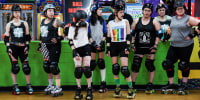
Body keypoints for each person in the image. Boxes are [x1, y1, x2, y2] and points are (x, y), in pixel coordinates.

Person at [161, 1, 200, 95]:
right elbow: (171, 29)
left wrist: (193, 35)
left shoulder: (189, 18)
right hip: (174, 46)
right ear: (175, 10)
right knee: (167, 64)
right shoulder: (173, 19)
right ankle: (171, 84)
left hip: (186, 46)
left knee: (183, 65)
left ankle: (185, 84)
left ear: (184, 9)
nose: (180, 10)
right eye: (178, 8)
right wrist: (167, 36)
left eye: (181, 8)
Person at [106, 5, 135, 98]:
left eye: (123, 12)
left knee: (124, 69)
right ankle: (118, 88)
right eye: (121, 12)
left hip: (123, 45)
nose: (123, 14)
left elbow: (129, 35)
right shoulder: (110, 23)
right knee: (115, 68)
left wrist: (128, 46)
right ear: (116, 13)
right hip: (114, 45)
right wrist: (108, 48)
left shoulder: (125, 21)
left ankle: (130, 88)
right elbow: (108, 37)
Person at [131, 3, 161, 94]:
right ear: (142, 11)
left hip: (150, 48)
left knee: (149, 65)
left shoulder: (154, 21)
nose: (147, 12)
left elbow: (158, 34)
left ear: (151, 12)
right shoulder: (137, 20)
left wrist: (155, 45)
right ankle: (133, 84)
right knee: (136, 65)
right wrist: (132, 44)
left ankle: (150, 84)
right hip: (139, 47)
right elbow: (132, 34)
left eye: (149, 11)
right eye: (145, 10)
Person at [4, 4, 33, 95]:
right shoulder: (9, 24)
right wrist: (8, 48)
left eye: (18, 12)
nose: (17, 14)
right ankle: (15, 85)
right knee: (15, 67)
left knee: (26, 68)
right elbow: (6, 38)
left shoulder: (25, 23)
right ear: (13, 13)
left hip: (22, 47)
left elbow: (28, 37)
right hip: (13, 47)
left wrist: (27, 46)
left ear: (20, 12)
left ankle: (28, 85)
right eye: (15, 12)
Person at [38, 4, 65, 97]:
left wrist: (59, 38)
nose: (51, 12)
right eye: (49, 10)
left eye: (53, 11)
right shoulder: (42, 21)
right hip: (45, 46)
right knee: (47, 66)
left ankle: (58, 86)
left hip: (54, 46)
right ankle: (50, 85)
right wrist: (40, 45)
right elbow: (42, 34)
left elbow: (67, 29)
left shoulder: (56, 20)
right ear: (45, 12)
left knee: (54, 66)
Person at [68, 10, 93, 100]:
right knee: (78, 70)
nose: (84, 20)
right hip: (77, 49)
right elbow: (70, 40)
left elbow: (82, 24)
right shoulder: (71, 28)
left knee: (87, 69)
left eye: (84, 19)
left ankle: (89, 88)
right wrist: (74, 51)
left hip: (86, 47)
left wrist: (76, 23)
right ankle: (78, 89)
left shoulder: (85, 24)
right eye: (81, 19)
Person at [87, 3, 107, 93]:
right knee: (92, 64)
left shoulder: (103, 21)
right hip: (92, 44)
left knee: (101, 62)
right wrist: (93, 43)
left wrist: (102, 42)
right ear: (94, 10)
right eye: (99, 10)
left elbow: (105, 33)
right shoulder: (88, 20)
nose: (101, 11)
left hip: (101, 43)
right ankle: (90, 84)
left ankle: (103, 82)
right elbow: (88, 34)